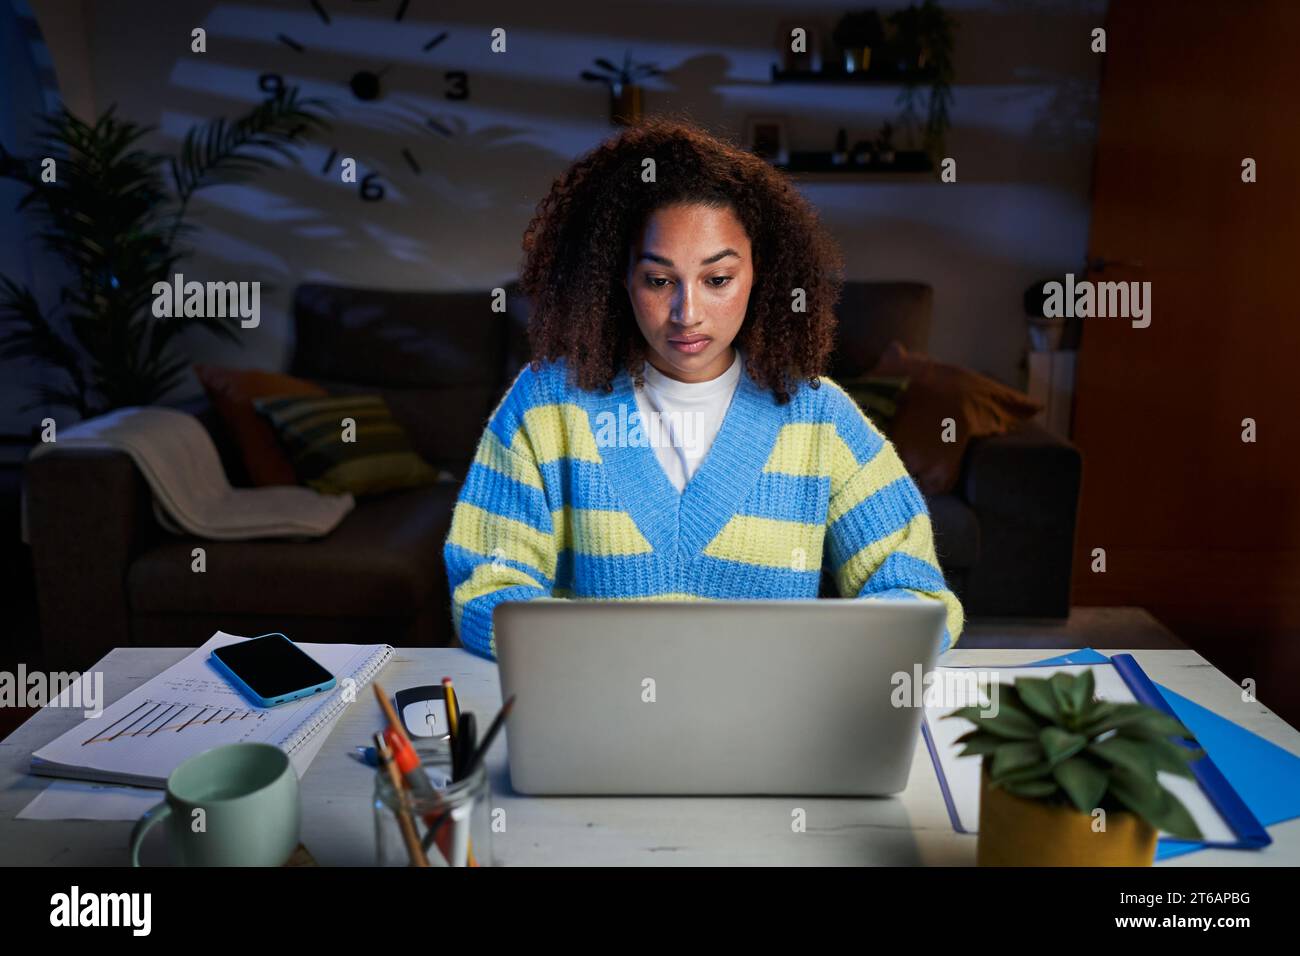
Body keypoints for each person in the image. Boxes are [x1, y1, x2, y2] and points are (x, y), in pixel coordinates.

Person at [444, 118, 963, 660]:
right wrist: (621, 657)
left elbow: (920, 597)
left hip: (771, 731)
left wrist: (831, 657)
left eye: (717, 280)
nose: (686, 313)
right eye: (658, 280)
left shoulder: (820, 417)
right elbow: (488, 590)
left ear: (761, 273)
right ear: (618, 277)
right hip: (597, 732)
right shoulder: (545, 405)